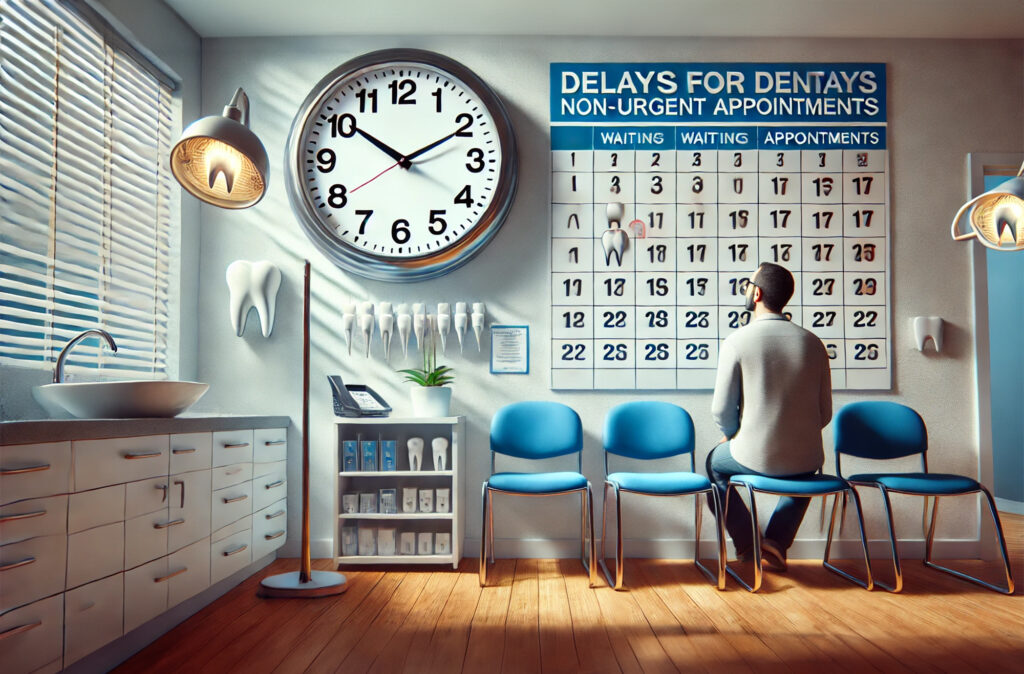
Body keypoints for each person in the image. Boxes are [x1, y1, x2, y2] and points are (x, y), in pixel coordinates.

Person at [707, 262, 832, 571]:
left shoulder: (738, 340)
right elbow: (824, 413)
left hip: (753, 455)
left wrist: (731, 433)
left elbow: (721, 409)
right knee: (809, 473)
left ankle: (749, 543)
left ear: (757, 293)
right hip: (806, 458)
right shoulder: (813, 343)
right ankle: (775, 542)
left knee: (714, 467)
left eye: (748, 284)